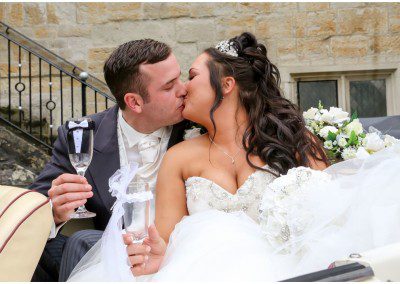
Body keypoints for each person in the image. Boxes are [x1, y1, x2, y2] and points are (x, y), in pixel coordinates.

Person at [69, 32, 400, 281]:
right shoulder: (179, 158)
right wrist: (156, 258)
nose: (183, 87)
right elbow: (165, 243)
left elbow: (336, 218)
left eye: (193, 76)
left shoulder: (296, 141)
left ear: (226, 85)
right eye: (176, 83)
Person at [30, 39, 189, 281]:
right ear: (134, 102)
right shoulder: (83, 135)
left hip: (184, 255)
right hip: (113, 260)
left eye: (180, 77)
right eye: (169, 86)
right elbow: (33, 207)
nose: (183, 89)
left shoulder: (198, 127)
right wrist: (56, 211)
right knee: (70, 245)